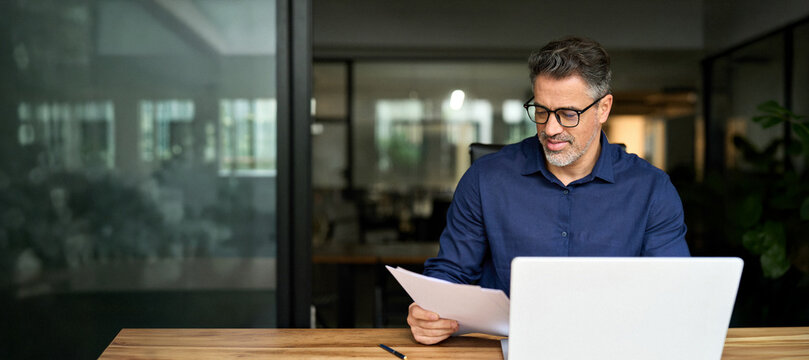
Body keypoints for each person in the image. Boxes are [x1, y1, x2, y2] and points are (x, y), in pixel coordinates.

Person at [407, 36, 691, 345]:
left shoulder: (651, 189)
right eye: (541, 111)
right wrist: (429, 312)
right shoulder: (484, 180)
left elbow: (672, 294)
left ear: (603, 108)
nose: (551, 129)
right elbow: (450, 273)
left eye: (568, 114)